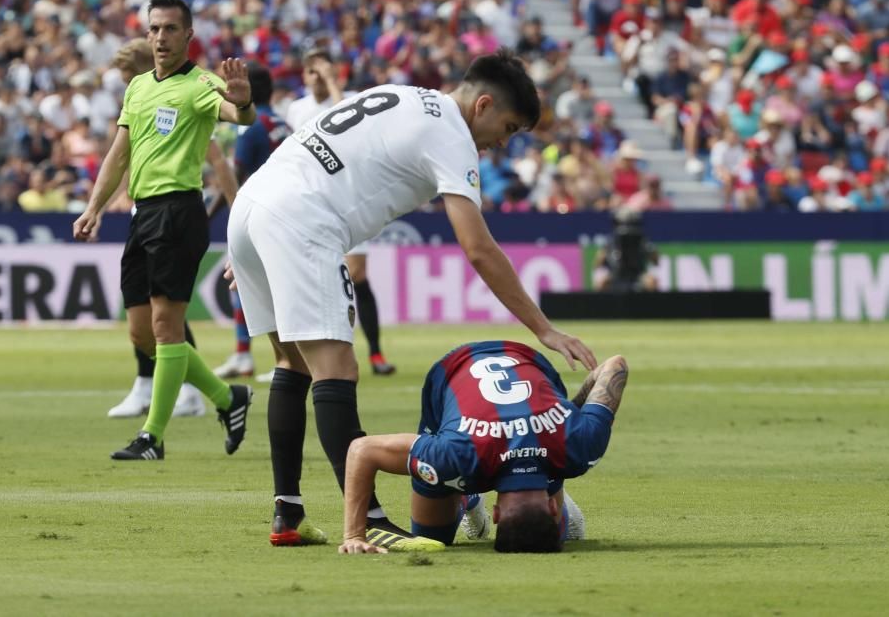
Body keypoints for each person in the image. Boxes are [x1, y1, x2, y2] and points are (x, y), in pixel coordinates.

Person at [228, 49, 598, 548]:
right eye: (507, 128)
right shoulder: (451, 133)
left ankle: (288, 514)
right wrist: (543, 328)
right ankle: (371, 521)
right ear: (483, 104)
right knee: (336, 371)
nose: (501, 143)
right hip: (300, 219)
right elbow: (478, 248)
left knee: (290, 364)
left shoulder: (399, 94)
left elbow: (310, 142)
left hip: (254, 206)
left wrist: (260, 228)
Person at [73, 0, 255, 461]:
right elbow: (118, 152)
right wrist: (95, 206)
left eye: (170, 29)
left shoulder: (200, 84)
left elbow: (237, 113)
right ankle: (226, 398)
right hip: (141, 214)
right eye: (154, 28)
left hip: (178, 212)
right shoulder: (137, 88)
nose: (160, 37)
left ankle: (152, 436)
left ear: (188, 35)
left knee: (165, 326)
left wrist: (243, 102)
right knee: (141, 334)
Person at [338, 342, 628, 554]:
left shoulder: (581, 444)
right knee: (432, 538)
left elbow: (615, 365)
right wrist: (353, 535)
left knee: (431, 539)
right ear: (498, 514)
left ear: (498, 514)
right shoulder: (452, 456)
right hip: (455, 370)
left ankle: (468, 492)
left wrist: (570, 418)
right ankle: (469, 497)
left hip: (506, 422)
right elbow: (361, 450)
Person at [105, 37, 238, 420]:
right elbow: (131, 151)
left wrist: (237, 209)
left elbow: (217, 162)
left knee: (167, 316)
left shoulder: (185, 98)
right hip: (144, 208)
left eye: (130, 75)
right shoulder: (142, 96)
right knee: (144, 316)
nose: (128, 85)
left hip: (175, 210)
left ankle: (188, 392)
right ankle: (152, 383)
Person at [284, 48, 396, 377]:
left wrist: (334, 84)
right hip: (309, 202)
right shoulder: (296, 109)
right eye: (312, 72)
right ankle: (312, 357)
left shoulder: (351, 101)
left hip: (350, 199)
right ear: (304, 76)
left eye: (323, 71)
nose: (317, 77)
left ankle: (375, 353)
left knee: (357, 274)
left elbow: (347, 135)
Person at [214, 63, 293, 382]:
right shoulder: (283, 124)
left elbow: (234, 177)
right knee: (272, 285)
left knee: (245, 283)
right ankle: (263, 356)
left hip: (259, 215)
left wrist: (210, 213)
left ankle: (261, 356)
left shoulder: (251, 127)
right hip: (288, 213)